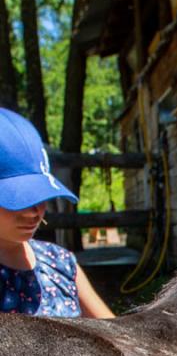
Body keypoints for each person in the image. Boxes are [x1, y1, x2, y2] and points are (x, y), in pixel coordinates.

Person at [0, 107, 114, 318]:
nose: (33, 211)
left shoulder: (60, 263)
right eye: (17, 198)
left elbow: (114, 337)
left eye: (38, 194)